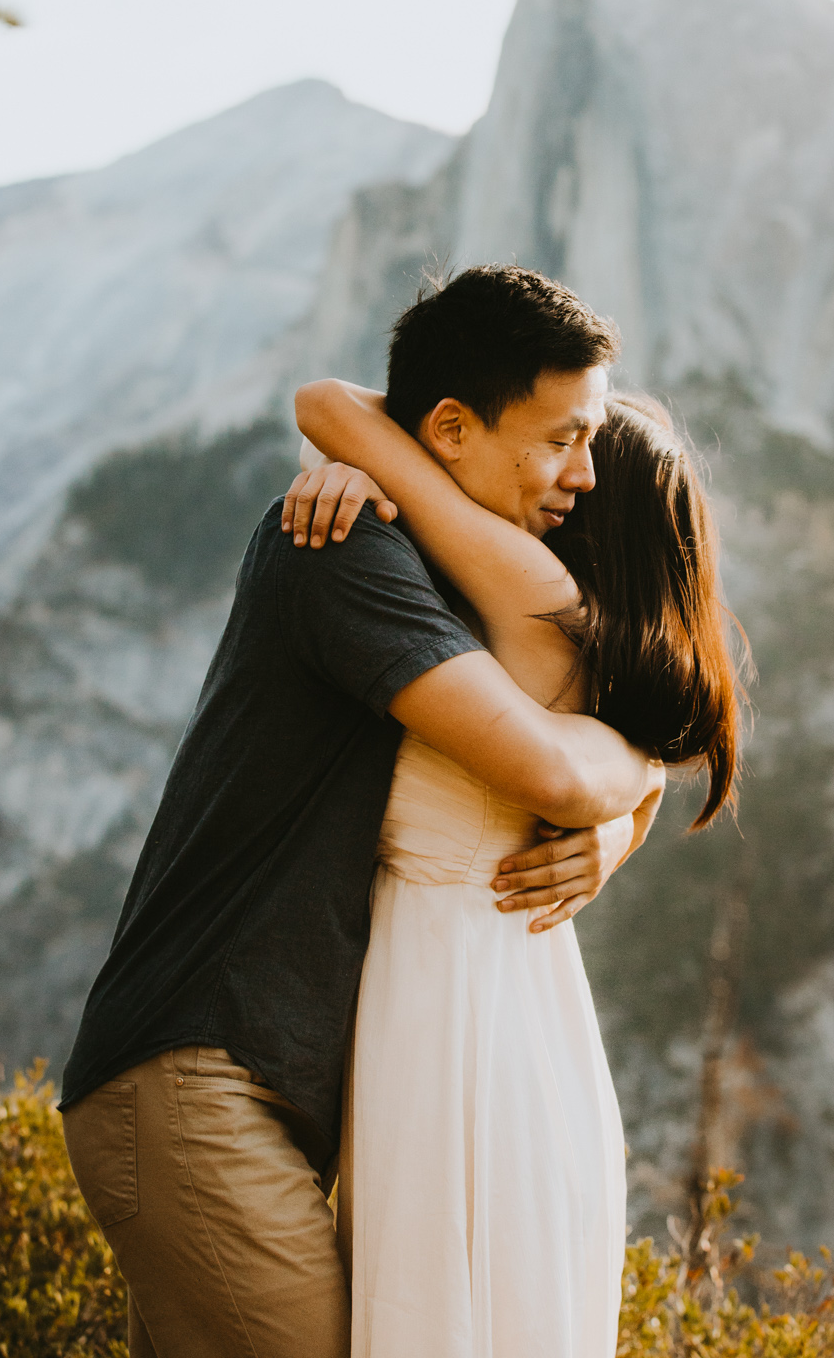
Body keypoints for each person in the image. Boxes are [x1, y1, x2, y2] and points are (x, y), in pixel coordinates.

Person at [60, 267, 664, 1358]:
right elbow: (554, 771)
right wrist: (637, 773)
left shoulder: (427, 550)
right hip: (201, 1075)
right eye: (560, 438)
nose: (584, 472)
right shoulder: (347, 546)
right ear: (448, 427)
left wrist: (629, 815)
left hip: (254, 1088)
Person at [289, 292, 745, 1356]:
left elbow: (328, 402)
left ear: (595, 528)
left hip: (452, 1003)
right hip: (524, 1004)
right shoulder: (574, 646)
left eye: (584, 461)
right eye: (559, 446)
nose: (565, 476)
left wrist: (370, 463)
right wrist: (633, 803)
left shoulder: (536, 597)